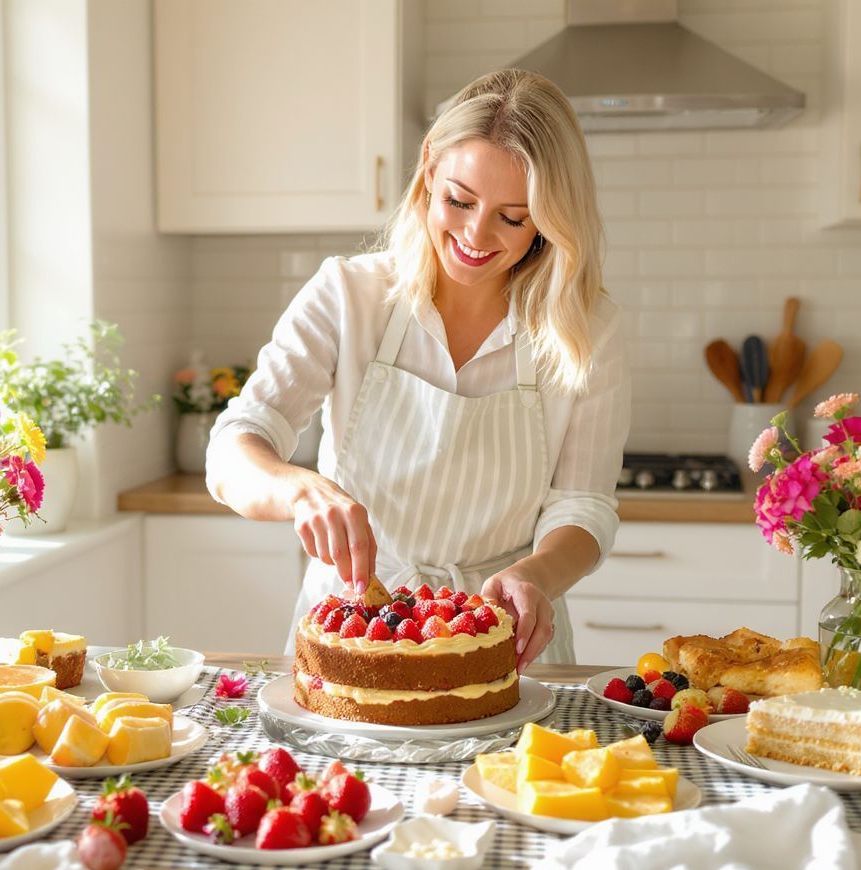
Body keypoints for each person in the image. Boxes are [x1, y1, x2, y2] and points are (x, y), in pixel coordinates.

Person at [204, 69, 630, 671]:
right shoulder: (350, 294)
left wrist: (535, 575)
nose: (475, 235)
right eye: (459, 200)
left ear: (550, 218)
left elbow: (583, 505)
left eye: (513, 217)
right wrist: (298, 489)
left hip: (499, 637)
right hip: (354, 629)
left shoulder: (584, 327)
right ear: (429, 166)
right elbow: (234, 448)